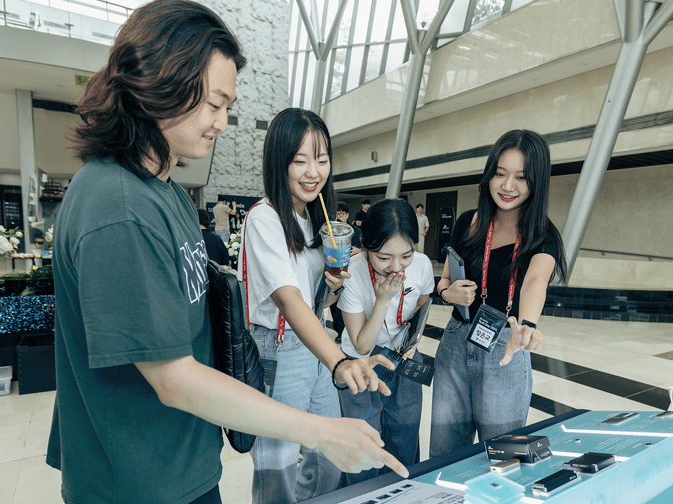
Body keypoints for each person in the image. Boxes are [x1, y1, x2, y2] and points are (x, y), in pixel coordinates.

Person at [46, 3, 406, 503]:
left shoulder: (165, 191)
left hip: (181, 462)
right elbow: (173, 379)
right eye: (214, 104)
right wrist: (321, 430)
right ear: (160, 80)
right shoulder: (118, 206)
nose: (222, 122)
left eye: (227, 106)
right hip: (136, 480)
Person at [240, 108, 401, 504]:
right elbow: (287, 299)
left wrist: (330, 288)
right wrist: (340, 362)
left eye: (322, 158)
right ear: (279, 163)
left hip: (313, 346)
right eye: (300, 160)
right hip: (280, 347)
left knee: (328, 456)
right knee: (277, 463)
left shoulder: (313, 218)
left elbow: (313, 301)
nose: (314, 171)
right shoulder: (264, 219)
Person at [430, 129, 568, 458]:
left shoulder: (543, 236)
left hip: (505, 349)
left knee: (502, 458)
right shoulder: (467, 222)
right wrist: (449, 293)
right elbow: (444, 279)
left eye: (521, 177)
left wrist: (528, 326)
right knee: (443, 455)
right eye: (500, 174)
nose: (507, 186)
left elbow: (536, 281)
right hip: (454, 347)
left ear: (537, 182)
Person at [337, 198, 434, 485]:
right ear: (366, 246)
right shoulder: (352, 272)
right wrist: (382, 300)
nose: (396, 267)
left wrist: (414, 340)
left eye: (406, 255)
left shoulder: (423, 265)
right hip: (360, 365)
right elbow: (361, 345)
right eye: (383, 258)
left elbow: (423, 302)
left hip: (403, 360)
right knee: (364, 446)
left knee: (404, 439)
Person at [329, 201, 362, 341]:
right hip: (335, 271)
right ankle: (339, 331)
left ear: (347, 215)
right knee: (334, 304)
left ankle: (350, 330)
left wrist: (359, 250)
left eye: (341, 213)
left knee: (349, 302)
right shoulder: (330, 230)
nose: (339, 216)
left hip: (352, 272)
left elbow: (365, 249)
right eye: (337, 213)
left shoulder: (356, 231)